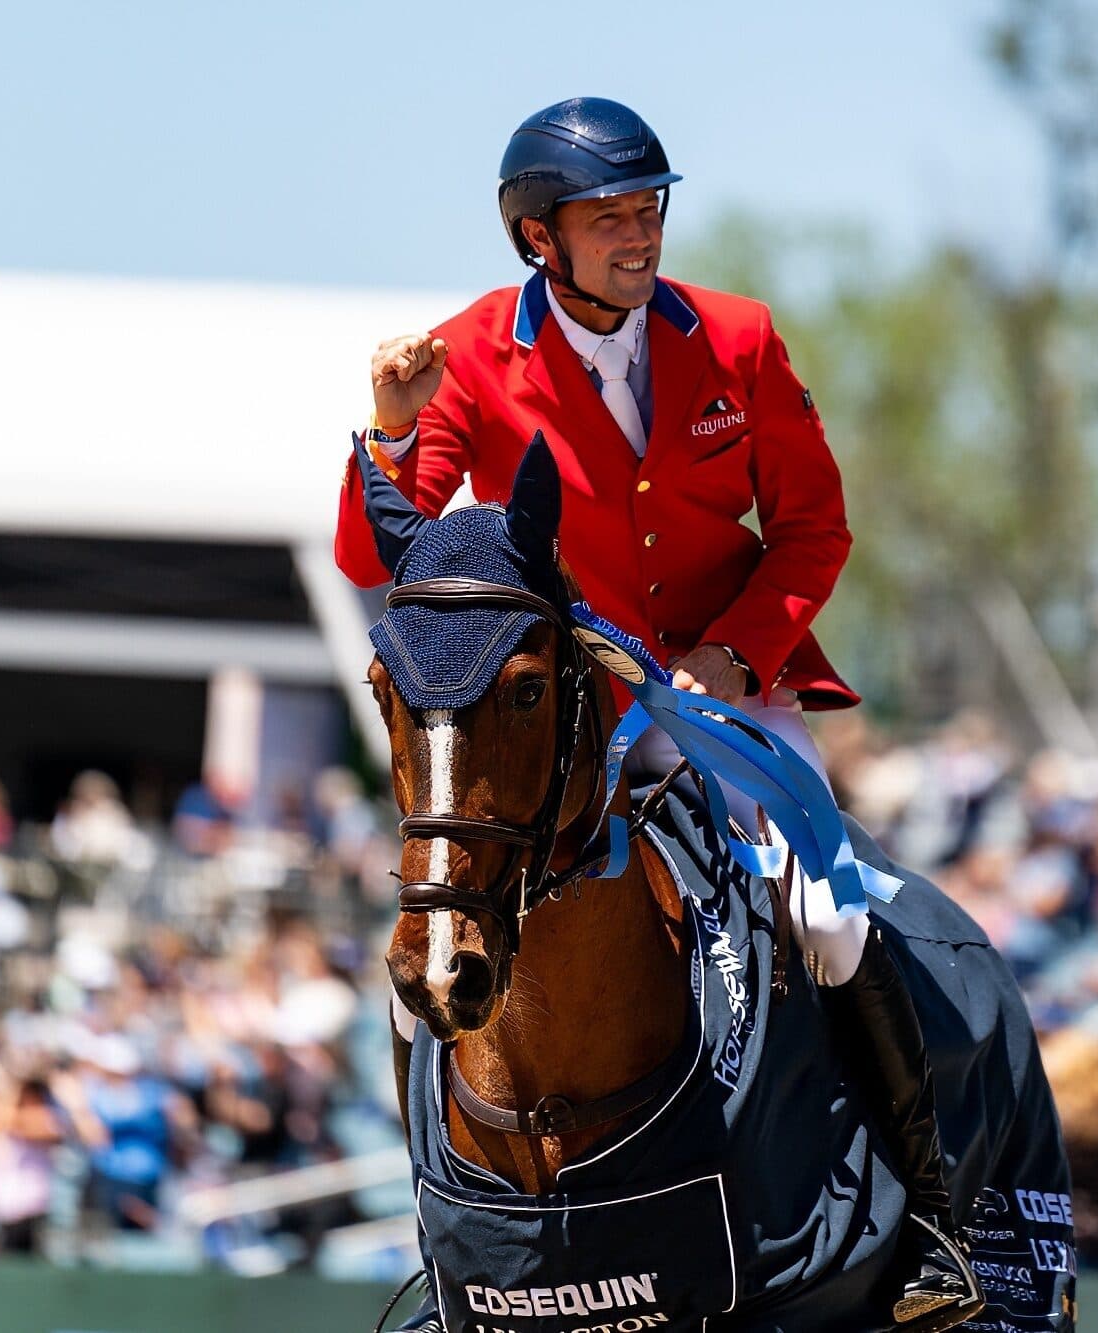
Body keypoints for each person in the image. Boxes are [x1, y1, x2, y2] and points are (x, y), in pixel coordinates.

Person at [333, 97, 976, 1328]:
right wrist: (395, 426)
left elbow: (812, 527)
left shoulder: (735, 339)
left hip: (723, 693)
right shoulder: (469, 353)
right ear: (539, 237)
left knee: (826, 909)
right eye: (609, 217)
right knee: (435, 944)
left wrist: (735, 655)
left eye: (649, 210)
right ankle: (449, 1242)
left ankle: (927, 1221)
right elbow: (380, 554)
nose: (639, 235)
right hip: (565, 708)